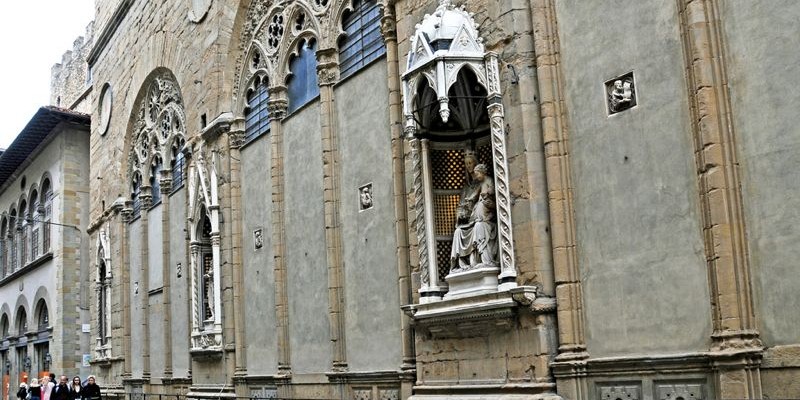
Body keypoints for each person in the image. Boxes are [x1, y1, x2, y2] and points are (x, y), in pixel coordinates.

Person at [450, 163, 498, 272]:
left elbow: (493, 191)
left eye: (477, 174)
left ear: (482, 172)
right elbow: (475, 194)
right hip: (474, 220)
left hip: (486, 219)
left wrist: (487, 193)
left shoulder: (489, 180)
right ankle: (461, 264)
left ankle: (485, 260)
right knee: (458, 232)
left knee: (479, 226)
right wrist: (470, 199)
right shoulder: (480, 184)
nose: (476, 176)